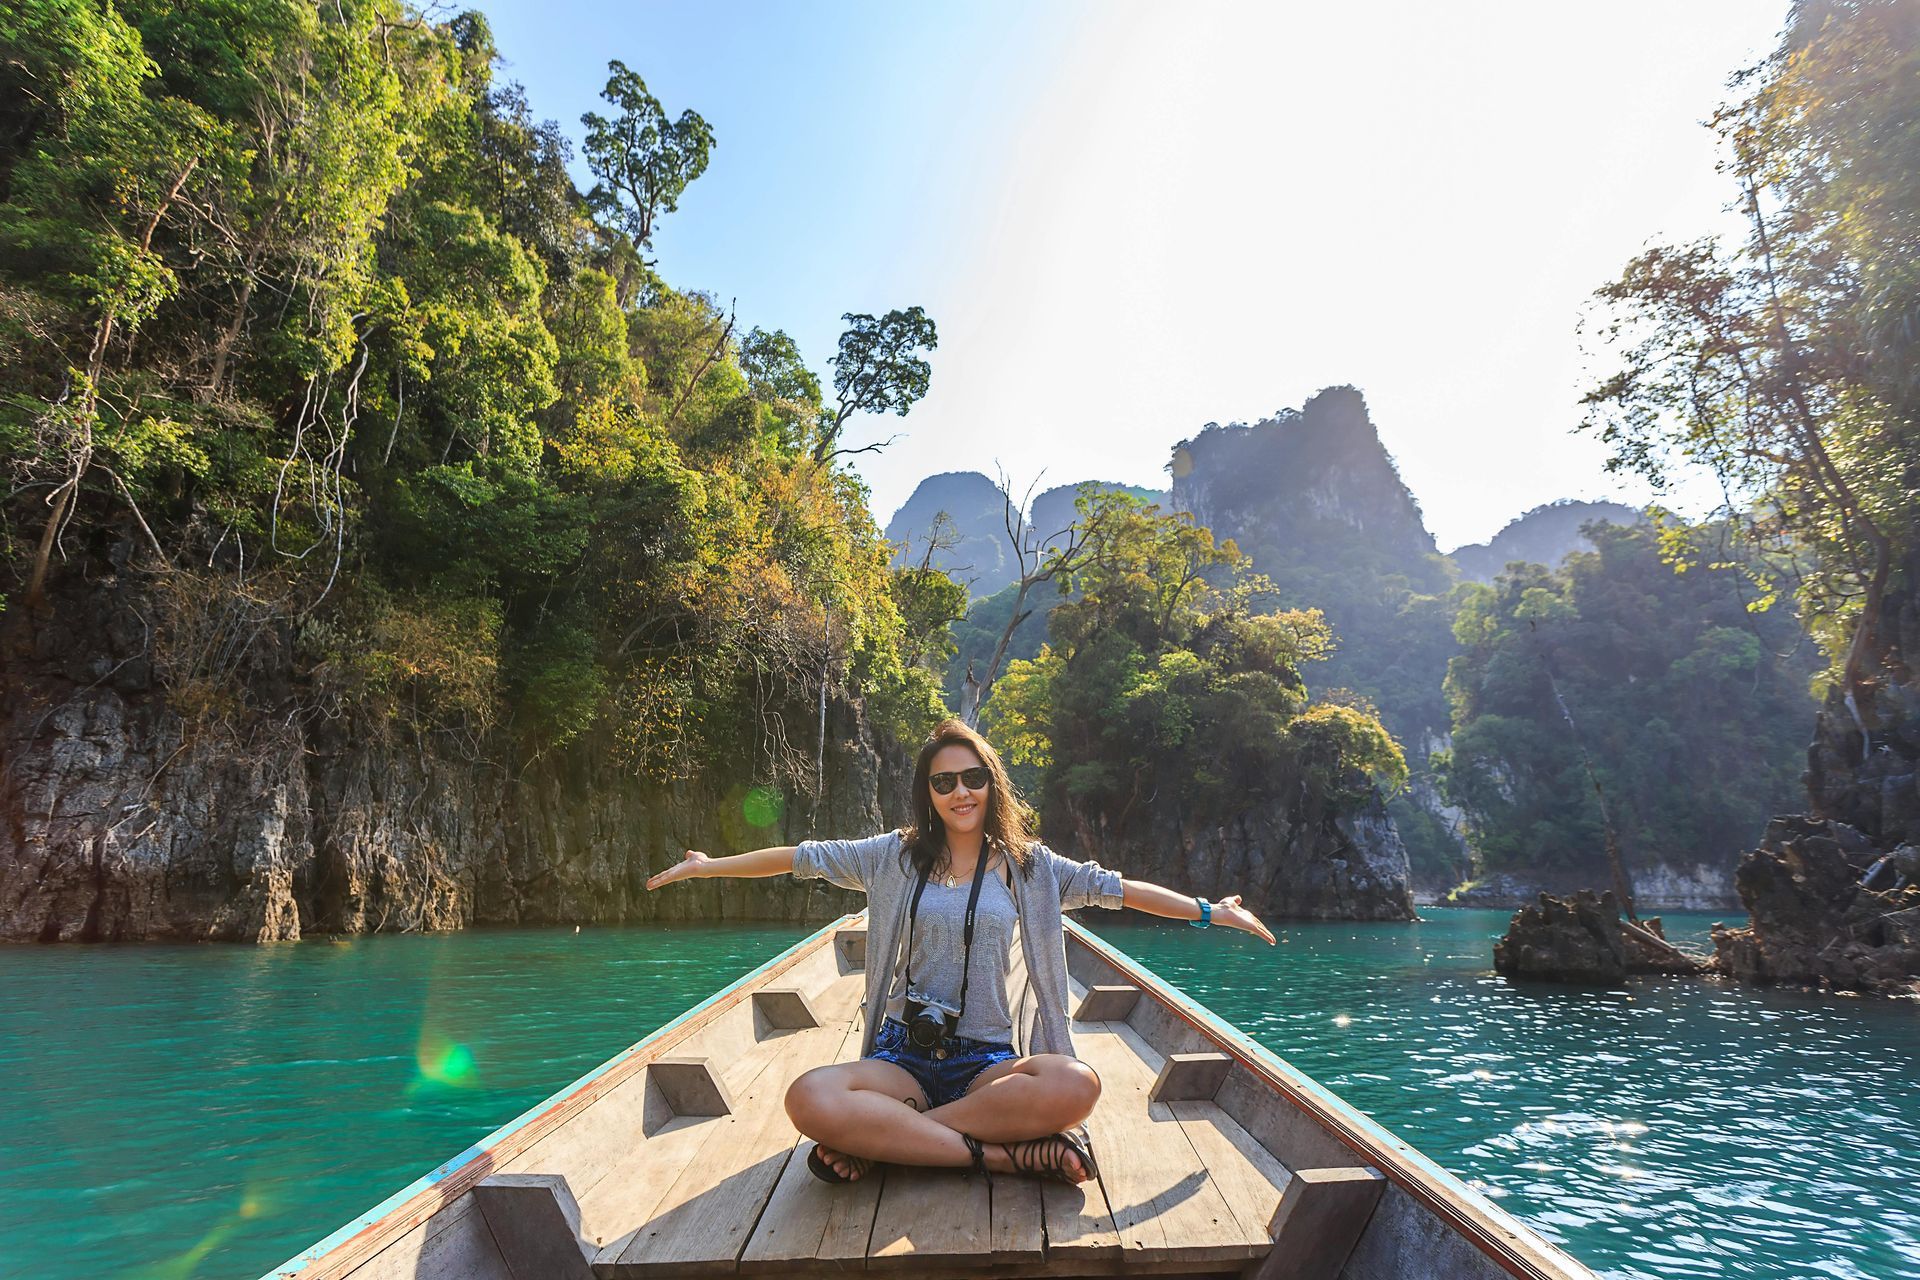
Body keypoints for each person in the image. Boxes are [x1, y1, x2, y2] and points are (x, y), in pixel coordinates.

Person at [645, 717, 1274, 1185]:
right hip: (904, 1058)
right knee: (808, 1097)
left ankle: (889, 1143)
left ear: (990, 784)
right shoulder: (892, 856)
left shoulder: (1033, 869)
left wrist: (1210, 912)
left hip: (986, 1063)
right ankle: (998, 1155)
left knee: (1074, 1083)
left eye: (972, 777)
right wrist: (707, 867)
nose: (960, 791)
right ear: (929, 791)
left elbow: (1121, 891)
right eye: (943, 781)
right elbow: (797, 858)